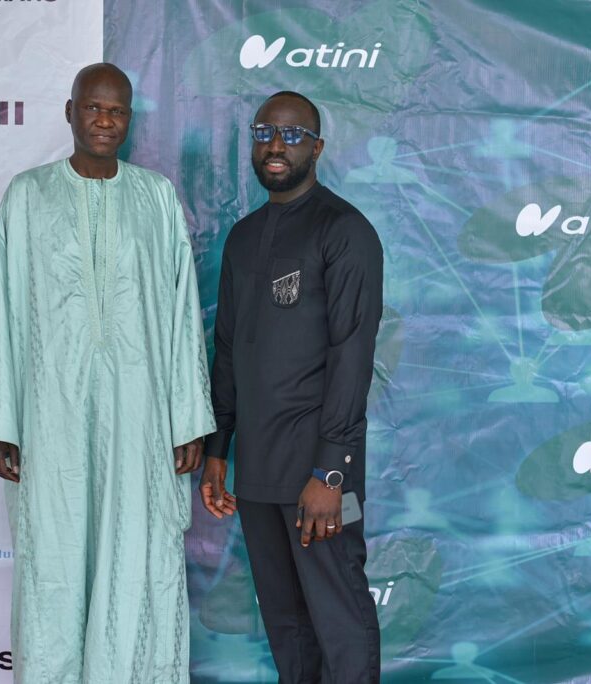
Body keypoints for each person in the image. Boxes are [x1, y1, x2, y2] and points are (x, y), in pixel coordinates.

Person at [0, 63, 215, 683]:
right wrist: (1, 421)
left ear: (129, 121)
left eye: (116, 111)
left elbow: (180, 313)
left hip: (140, 416)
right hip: (52, 414)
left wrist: (187, 418)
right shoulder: (28, 195)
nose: (104, 120)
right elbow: (3, 306)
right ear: (70, 112)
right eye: (93, 108)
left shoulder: (155, 197)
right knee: (56, 554)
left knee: (136, 551)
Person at [201, 91, 384, 683]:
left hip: (317, 470)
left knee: (338, 614)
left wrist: (330, 472)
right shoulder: (243, 237)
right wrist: (217, 450)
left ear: (317, 147)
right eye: (264, 134)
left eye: (292, 135)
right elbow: (228, 348)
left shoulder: (344, 231)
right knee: (286, 624)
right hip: (257, 469)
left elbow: (351, 355)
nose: (276, 146)